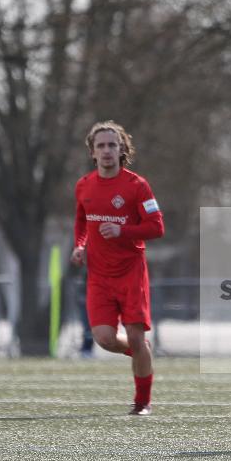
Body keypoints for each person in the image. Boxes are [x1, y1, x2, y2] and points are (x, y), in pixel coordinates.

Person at [70, 121, 164, 414]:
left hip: (131, 273)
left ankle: (142, 402)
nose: (107, 150)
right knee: (104, 339)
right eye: (101, 146)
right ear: (92, 152)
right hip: (98, 275)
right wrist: (80, 245)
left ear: (122, 149)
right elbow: (82, 221)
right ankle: (141, 352)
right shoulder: (84, 186)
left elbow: (156, 227)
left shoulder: (137, 186)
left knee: (136, 337)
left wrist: (123, 231)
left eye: (113, 145)